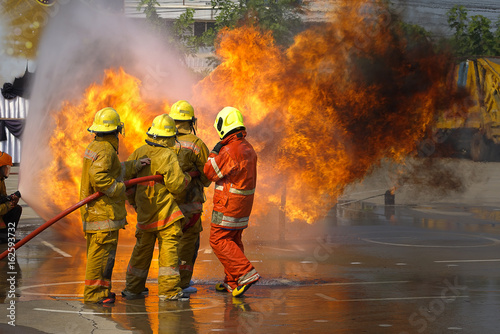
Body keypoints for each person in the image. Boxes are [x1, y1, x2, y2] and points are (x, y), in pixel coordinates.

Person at [80, 107, 149, 304]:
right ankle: (95, 295)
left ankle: (101, 291)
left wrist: (136, 165)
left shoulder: (96, 147)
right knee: (101, 257)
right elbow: (100, 177)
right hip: (104, 214)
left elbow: (114, 171)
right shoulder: (106, 150)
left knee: (100, 256)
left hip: (96, 213)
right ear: (115, 131)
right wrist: (118, 189)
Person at [122, 114, 192, 301]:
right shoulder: (167, 155)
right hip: (166, 215)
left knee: (141, 253)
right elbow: (177, 185)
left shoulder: (139, 152)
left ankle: (133, 289)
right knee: (169, 254)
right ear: (169, 137)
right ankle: (169, 292)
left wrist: (136, 203)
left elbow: (127, 183)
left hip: (145, 215)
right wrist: (188, 177)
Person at [203, 106, 259, 297]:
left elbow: (210, 172)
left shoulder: (228, 150)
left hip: (228, 204)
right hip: (243, 205)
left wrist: (213, 152)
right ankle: (233, 282)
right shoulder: (247, 147)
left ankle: (244, 274)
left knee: (218, 239)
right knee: (233, 239)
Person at [168, 100, 210, 294]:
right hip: (190, 205)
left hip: (167, 204)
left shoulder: (163, 141)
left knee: (169, 242)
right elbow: (207, 177)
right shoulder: (196, 144)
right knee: (188, 242)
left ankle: (167, 282)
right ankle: (182, 283)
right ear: (192, 121)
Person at [0, 152, 21, 244]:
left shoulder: (1, 180)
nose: (7, 170)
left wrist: (12, 200)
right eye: (5, 168)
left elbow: (2, 198)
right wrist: (9, 205)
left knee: (16, 209)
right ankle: (3, 236)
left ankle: (7, 235)